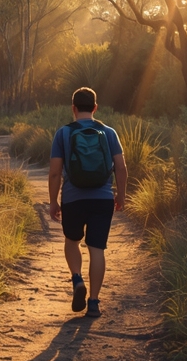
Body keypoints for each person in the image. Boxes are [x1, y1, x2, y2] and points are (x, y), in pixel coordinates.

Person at [48, 87, 127, 318]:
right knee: (97, 249)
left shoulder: (62, 134)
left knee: (72, 241)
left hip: (73, 199)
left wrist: (53, 201)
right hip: (102, 199)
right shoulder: (109, 133)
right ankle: (93, 303)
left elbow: (54, 173)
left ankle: (77, 278)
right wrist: (120, 196)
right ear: (95, 108)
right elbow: (121, 169)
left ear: (73, 108)